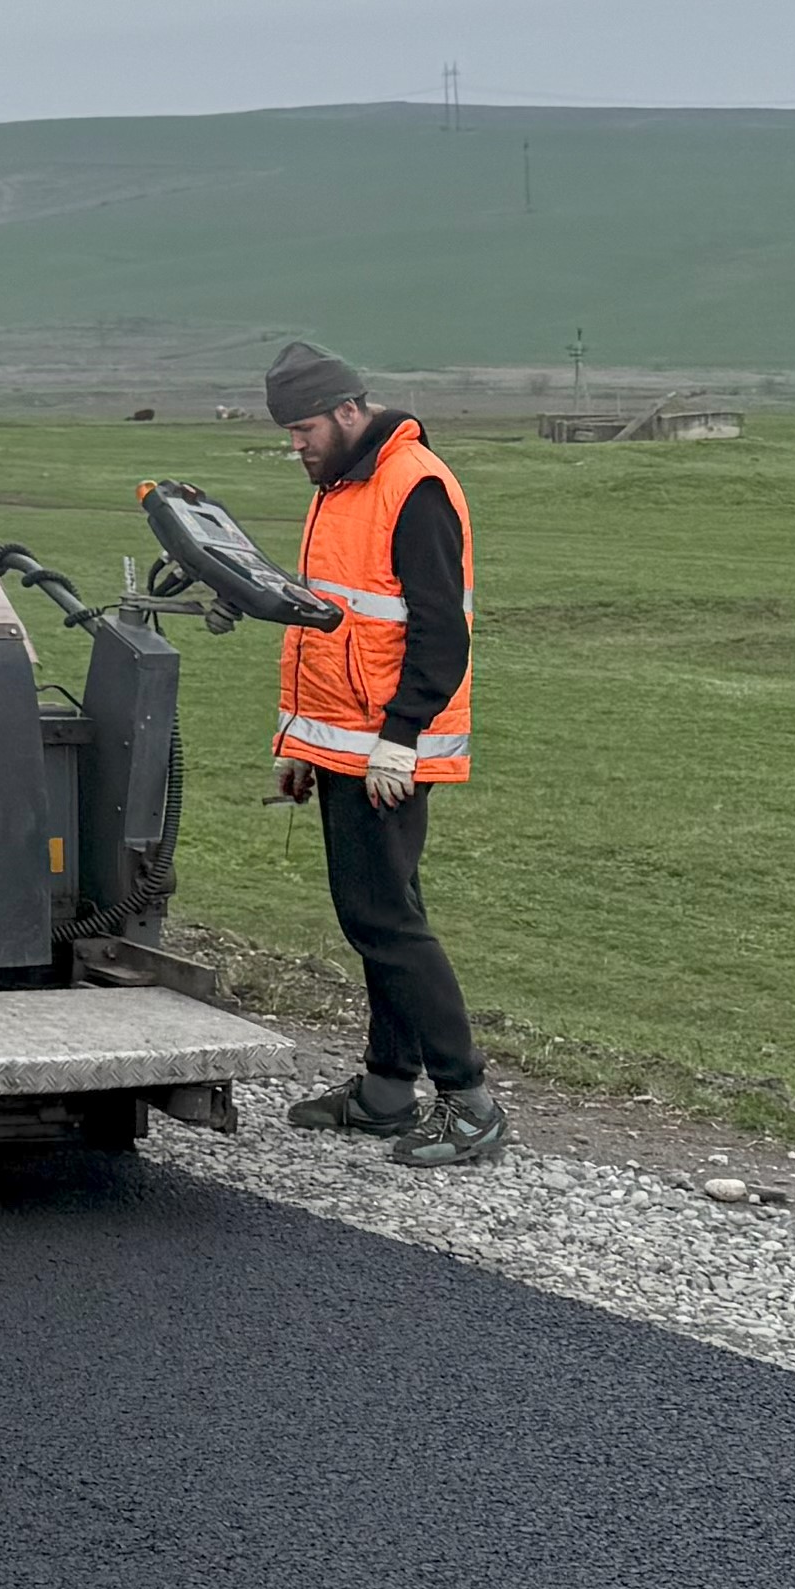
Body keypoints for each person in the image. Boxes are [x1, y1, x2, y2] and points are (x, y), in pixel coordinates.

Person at [261, 341, 501, 1167]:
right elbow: (328, 629)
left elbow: (443, 630)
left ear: (349, 412)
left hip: (385, 752)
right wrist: (299, 743)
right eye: (288, 432)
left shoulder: (412, 487)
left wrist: (400, 739)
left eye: (304, 428)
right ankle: (387, 1093)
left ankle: (470, 1103)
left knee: (384, 922)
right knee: (385, 918)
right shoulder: (343, 487)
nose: (296, 444)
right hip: (345, 747)